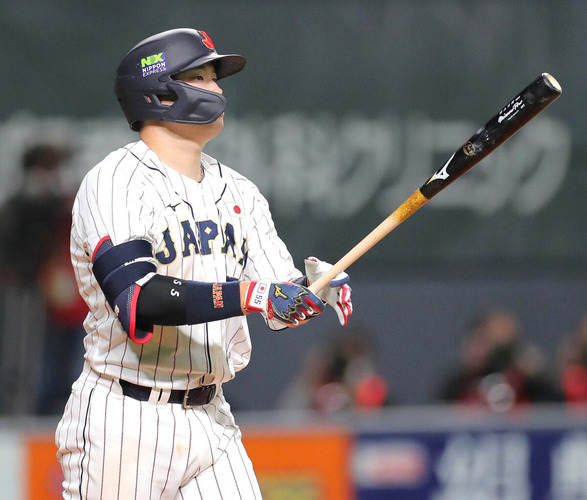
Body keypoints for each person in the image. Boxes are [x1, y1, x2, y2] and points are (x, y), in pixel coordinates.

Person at [55, 28, 353, 499]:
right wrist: (253, 296)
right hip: (124, 418)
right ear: (157, 92)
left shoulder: (239, 191)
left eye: (215, 77)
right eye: (199, 76)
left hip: (211, 415)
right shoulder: (113, 181)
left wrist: (312, 290)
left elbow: (277, 300)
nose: (217, 88)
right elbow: (139, 297)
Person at [437, 308, 560, 411]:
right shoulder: (461, 383)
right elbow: (439, 415)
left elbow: (553, 411)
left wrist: (536, 376)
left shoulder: (526, 380)